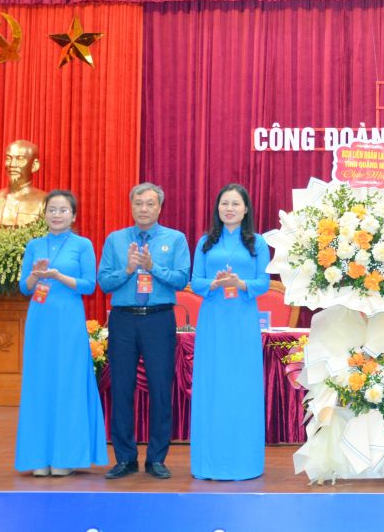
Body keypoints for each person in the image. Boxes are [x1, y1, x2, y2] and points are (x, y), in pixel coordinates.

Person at [98, 182, 191, 480]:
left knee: (161, 390)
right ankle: (125, 458)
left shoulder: (175, 239)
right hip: (123, 319)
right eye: (138, 203)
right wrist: (127, 270)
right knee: (122, 389)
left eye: (150, 203)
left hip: (159, 319)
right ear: (131, 206)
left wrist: (153, 267)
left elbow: (180, 280)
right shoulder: (115, 240)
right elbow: (103, 282)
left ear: (160, 207)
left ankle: (156, 458)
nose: (144, 208)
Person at [15, 190, 108, 476]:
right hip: (39, 321)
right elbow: (24, 287)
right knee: (40, 383)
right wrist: (36, 275)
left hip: (68, 321)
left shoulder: (82, 245)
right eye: (52, 210)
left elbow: (89, 285)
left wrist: (58, 277)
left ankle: (65, 457)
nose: (57, 215)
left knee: (67, 383)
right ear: (44, 215)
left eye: (63, 210)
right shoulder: (34, 245)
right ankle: (38, 457)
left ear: (73, 216)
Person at [190, 184, 271, 480]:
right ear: (218, 208)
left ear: (246, 209)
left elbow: (264, 281)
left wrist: (240, 284)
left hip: (242, 320)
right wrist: (213, 284)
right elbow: (195, 280)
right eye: (224, 203)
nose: (230, 209)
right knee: (212, 385)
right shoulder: (205, 242)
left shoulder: (257, 243)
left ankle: (244, 462)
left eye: (236, 204)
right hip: (212, 319)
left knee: (241, 386)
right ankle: (208, 463)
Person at [0, 140, 48, 227]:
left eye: (20, 159)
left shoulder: (46, 202)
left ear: (34, 166)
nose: (12, 164)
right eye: (8, 158)